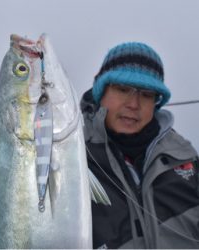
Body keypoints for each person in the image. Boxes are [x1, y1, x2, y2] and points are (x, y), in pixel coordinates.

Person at [80, 41, 199, 248]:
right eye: (123, 89)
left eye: (146, 94)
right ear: (101, 93)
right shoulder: (74, 160)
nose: (134, 104)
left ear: (156, 103)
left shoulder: (185, 159)